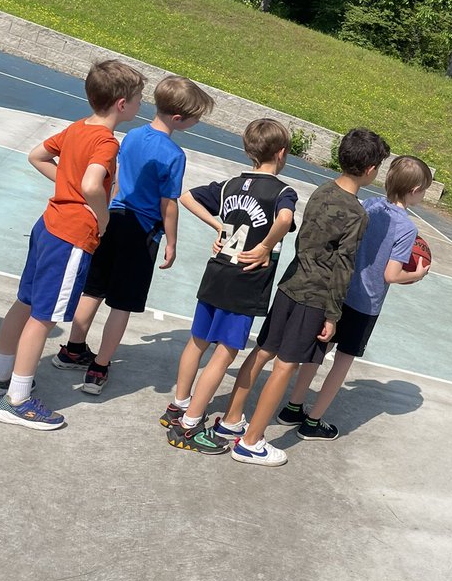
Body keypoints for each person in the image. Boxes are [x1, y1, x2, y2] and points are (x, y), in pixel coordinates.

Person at [0, 59, 145, 429]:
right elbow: (91, 184)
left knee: (26, 302)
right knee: (44, 316)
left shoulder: (78, 127)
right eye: (138, 98)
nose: (140, 104)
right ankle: (16, 399)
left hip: (47, 225)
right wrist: (101, 215)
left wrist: (64, 186)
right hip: (70, 235)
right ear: (121, 103)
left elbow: (37, 155)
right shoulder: (106, 141)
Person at [213, 127, 391, 467]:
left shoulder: (322, 191)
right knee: (286, 365)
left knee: (263, 351)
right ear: (371, 170)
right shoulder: (357, 213)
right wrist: (333, 315)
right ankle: (251, 442)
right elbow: (343, 266)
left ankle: (231, 419)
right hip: (315, 296)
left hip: (290, 284)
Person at [51, 75, 214, 394]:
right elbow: (169, 204)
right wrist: (172, 241)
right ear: (179, 119)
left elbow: (113, 180)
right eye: (196, 118)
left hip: (112, 218)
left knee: (93, 289)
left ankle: (72, 349)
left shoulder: (132, 136)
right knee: (122, 303)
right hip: (142, 232)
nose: (197, 123)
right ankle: (99, 368)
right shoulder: (174, 155)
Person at [162, 118, 297, 455]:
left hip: (217, 272)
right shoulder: (282, 191)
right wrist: (266, 246)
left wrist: (216, 224)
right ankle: (189, 425)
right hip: (245, 283)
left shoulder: (231, 186)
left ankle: (178, 405)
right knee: (224, 353)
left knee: (197, 341)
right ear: (281, 154)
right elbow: (284, 220)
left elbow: (186, 195)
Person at [277, 155, 433, 441]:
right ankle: (313, 421)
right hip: (365, 304)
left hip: (338, 292)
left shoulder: (370, 204)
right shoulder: (407, 228)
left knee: (317, 352)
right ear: (414, 191)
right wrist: (417, 275)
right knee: (342, 363)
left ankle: (292, 407)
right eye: (424, 190)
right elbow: (391, 274)